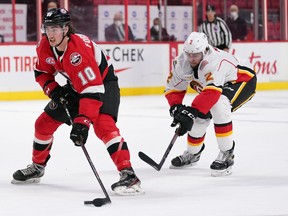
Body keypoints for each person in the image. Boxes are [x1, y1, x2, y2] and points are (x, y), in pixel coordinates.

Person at [11, 8, 143, 195]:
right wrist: (54, 90)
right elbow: (42, 72)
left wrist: (82, 123)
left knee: (104, 126)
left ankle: (128, 174)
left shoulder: (79, 51)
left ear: (66, 29)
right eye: (47, 28)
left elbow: (92, 91)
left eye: (55, 29)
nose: (50, 34)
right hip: (76, 85)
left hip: (103, 85)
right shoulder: (45, 46)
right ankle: (37, 167)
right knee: (43, 123)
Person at [165, 31, 256, 177]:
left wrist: (191, 112)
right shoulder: (180, 62)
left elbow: (212, 93)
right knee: (198, 117)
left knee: (219, 105)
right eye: (189, 54)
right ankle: (193, 153)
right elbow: (173, 88)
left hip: (242, 80)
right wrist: (176, 108)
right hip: (214, 87)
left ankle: (227, 153)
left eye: (195, 54)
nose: (191, 58)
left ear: (205, 50)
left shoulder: (215, 61)